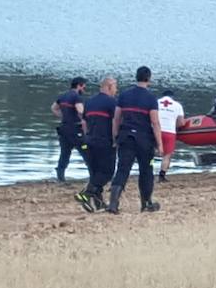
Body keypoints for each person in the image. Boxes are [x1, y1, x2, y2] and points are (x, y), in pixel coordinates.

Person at [107, 66, 164, 214]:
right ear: (149, 79)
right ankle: (146, 203)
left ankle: (113, 203)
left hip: (126, 137)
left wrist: (115, 137)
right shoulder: (151, 98)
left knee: (122, 169)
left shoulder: (124, 95)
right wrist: (160, 144)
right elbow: (155, 123)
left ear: (136, 77)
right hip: (144, 139)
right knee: (146, 171)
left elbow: (117, 118)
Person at [74, 77, 118, 212]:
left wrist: (87, 136)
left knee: (96, 172)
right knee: (107, 172)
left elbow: (84, 123)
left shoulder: (89, 102)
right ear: (109, 86)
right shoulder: (112, 103)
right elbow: (115, 122)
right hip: (105, 141)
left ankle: (99, 203)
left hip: (90, 140)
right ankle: (86, 194)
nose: (116, 90)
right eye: (116, 87)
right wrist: (115, 139)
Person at [51, 76, 89, 182]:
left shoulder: (63, 96)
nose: (84, 88)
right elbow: (81, 112)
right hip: (76, 131)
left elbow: (53, 108)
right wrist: (86, 122)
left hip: (64, 129)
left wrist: (63, 116)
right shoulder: (77, 97)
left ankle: (60, 176)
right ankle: (93, 173)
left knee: (65, 153)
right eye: (83, 86)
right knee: (86, 151)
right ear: (79, 85)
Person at [156, 90, 184, 183]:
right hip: (169, 131)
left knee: (149, 153)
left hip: (155, 130)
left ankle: (147, 171)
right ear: (172, 97)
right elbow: (181, 122)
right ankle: (162, 176)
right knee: (167, 155)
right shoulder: (177, 105)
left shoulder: (156, 102)